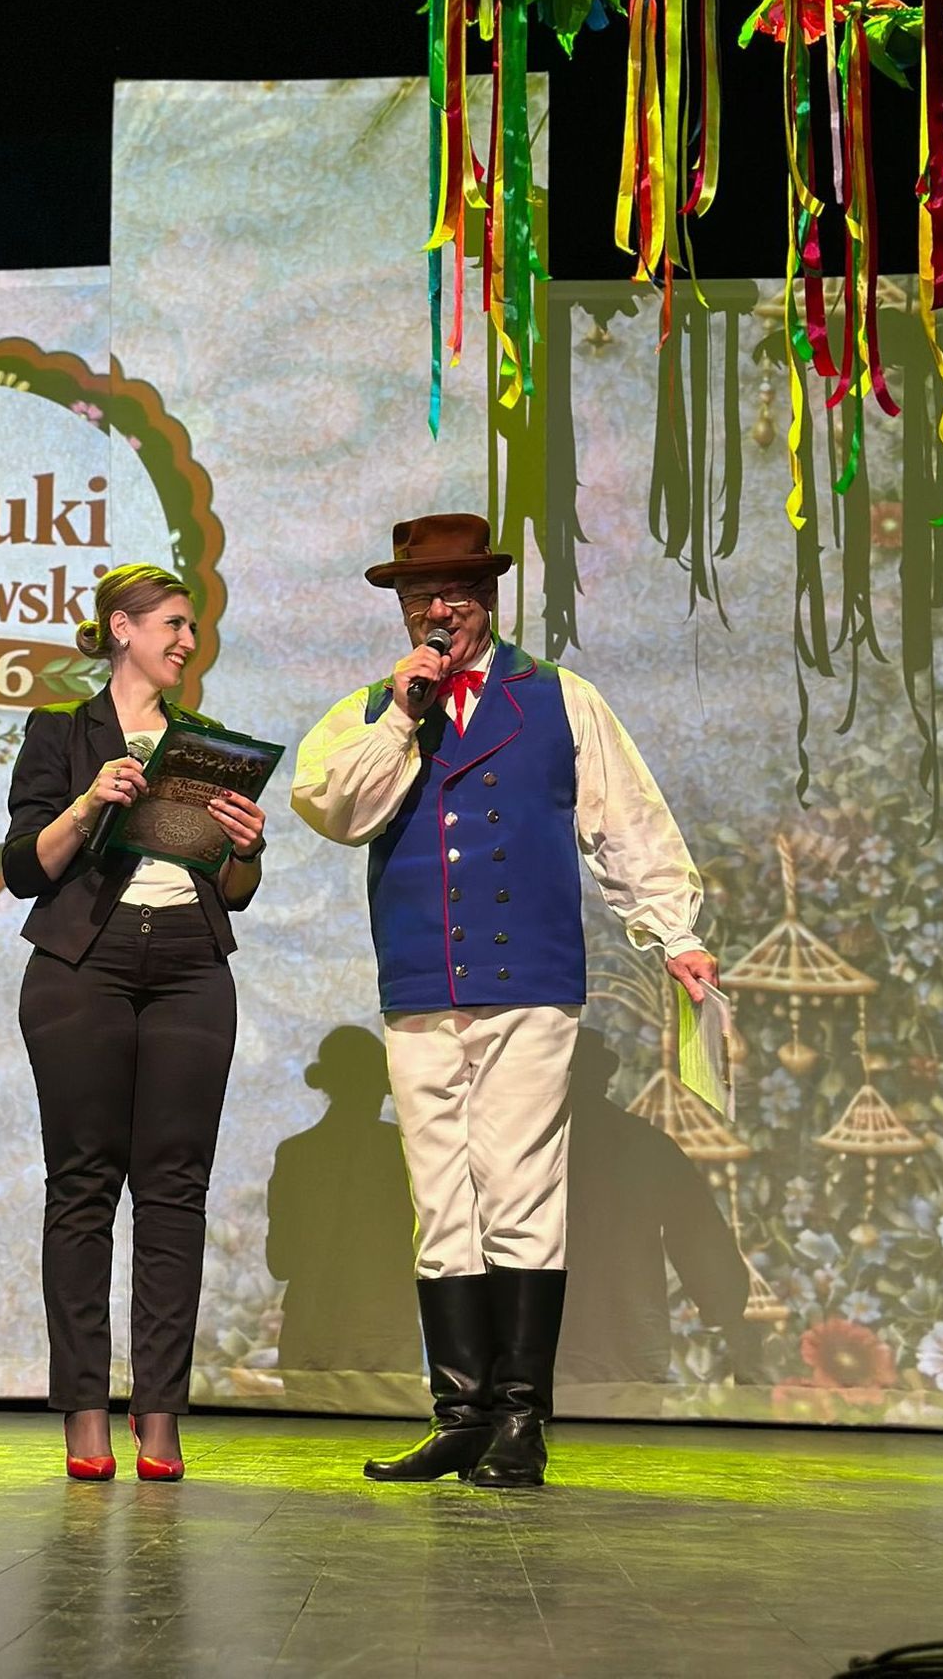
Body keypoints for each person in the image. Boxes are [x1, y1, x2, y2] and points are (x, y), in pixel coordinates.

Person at [291, 512, 717, 1488]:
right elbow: (335, 810)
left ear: (486, 599)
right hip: (420, 986)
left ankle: (521, 1421)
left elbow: (627, 823)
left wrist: (675, 932)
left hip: (528, 981)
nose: (436, 611)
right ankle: (461, 1416)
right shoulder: (374, 710)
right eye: (419, 596)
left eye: (453, 592)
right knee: (440, 1199)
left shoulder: (560, 698)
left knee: (520, 1190)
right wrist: (403, 717)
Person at [2, 563, 266, 1483]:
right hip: (85, 967)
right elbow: (24, 869)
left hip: (191, 964)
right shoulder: (61, 732)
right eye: (173, 624)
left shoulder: (203, 746)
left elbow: (238, 890)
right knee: (82, 1187)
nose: (188, 641)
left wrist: (245, 847)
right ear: (123, 628)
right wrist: (89, 804)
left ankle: (160, 1416)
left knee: (175, 1191)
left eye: (192, 628)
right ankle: (85, 1413)